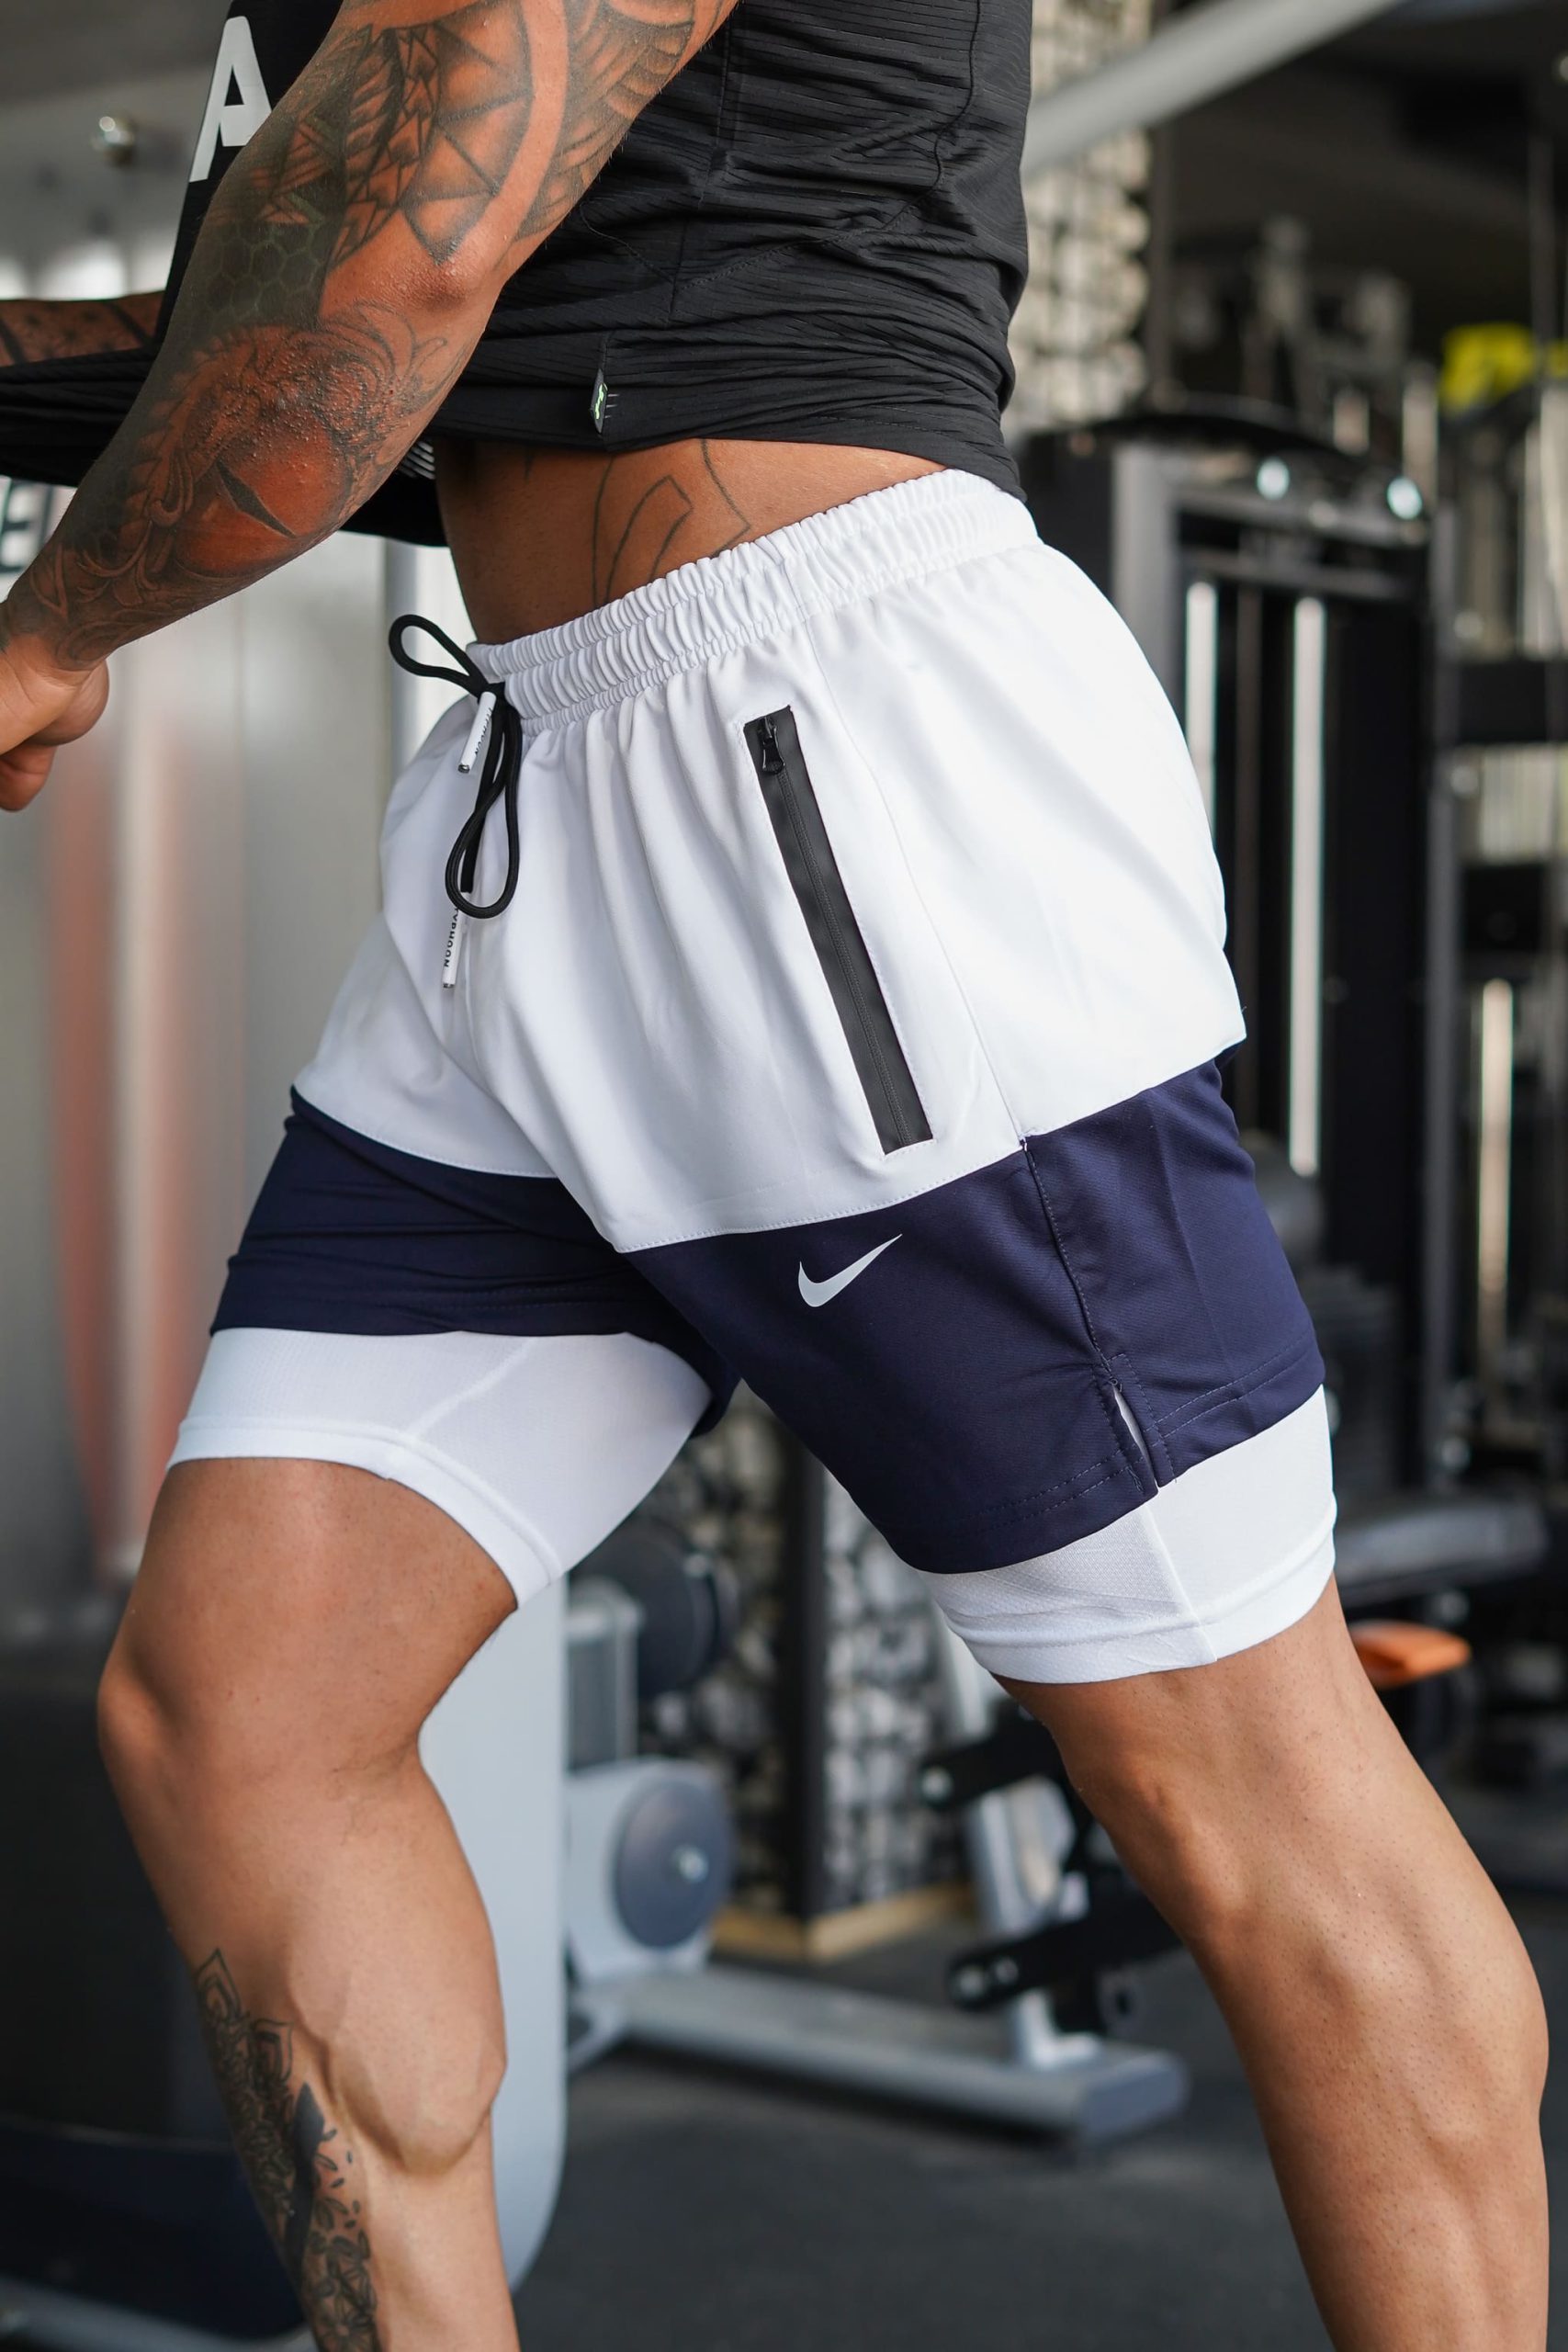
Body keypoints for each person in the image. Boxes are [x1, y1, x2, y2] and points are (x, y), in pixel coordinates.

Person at [0, 3, 1549, 2345]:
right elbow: (300, 296)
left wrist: (56, 624)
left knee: (1251, 1803)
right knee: (241, 1709)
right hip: (532, 797)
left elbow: (403, 248)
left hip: (820, 754)